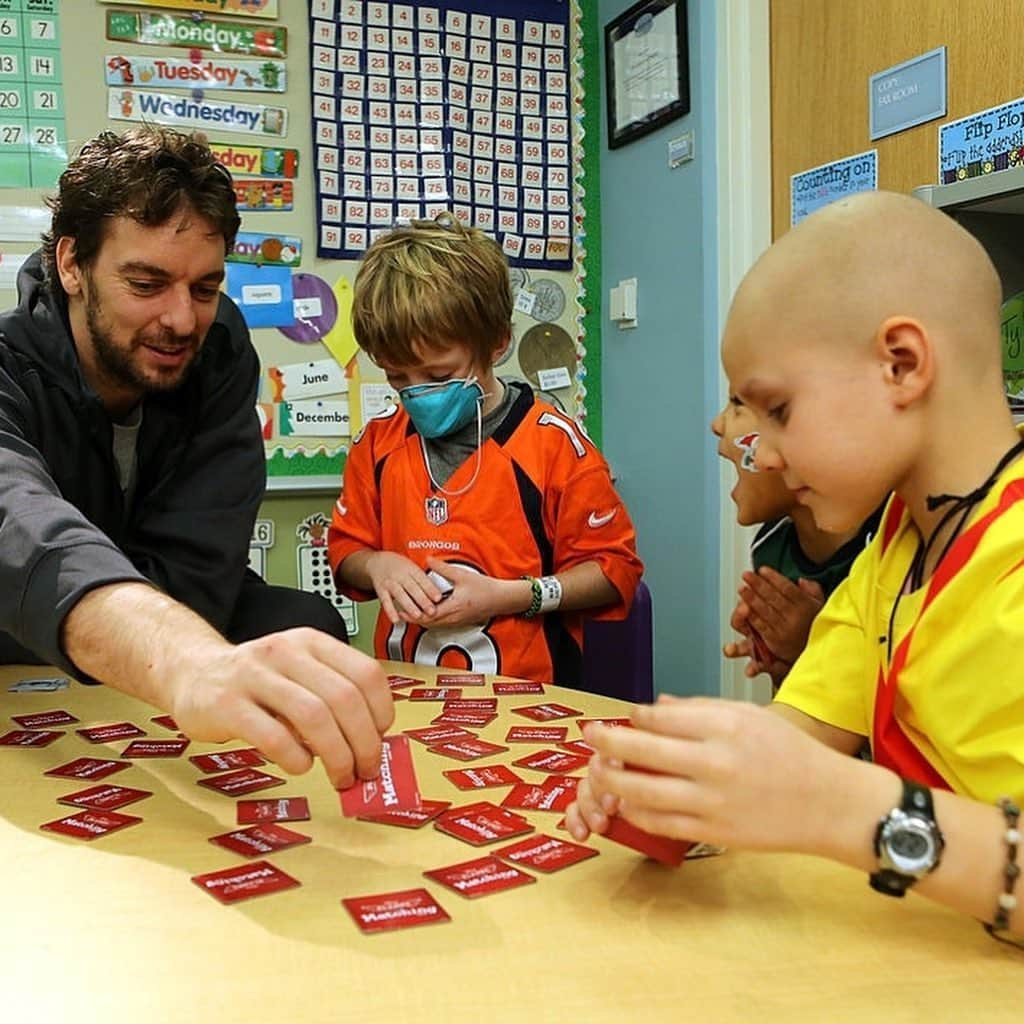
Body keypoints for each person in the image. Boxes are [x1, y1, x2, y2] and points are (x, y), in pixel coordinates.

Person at [567, 191, 1024, 942]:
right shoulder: (898, 550)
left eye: (777, 410)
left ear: (901, 364)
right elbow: (805, 725)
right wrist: (693, 782)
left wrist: (840, 807)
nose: (764, 453)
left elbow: (827, 790)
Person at [0, 127, 391, 788]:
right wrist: (183, 664)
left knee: (308, 626)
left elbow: (200, 565)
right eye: (146, 283)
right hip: (26, 629)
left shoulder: (220, 351)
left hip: (174, 612)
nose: (182, 321)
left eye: (205, 289)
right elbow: (19, 529)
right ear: (71, 266)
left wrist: (183, 655)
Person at [328, 213, 643, 686]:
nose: (416, 394)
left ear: (497, 343)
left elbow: (613, 571)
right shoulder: (378, 445)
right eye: (397, 378)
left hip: (533, 709)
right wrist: (377, 564)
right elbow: (347, 550)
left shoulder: (553, 447)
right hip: (409, 702)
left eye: (438, 376)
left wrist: (515, 596)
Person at [712, 399, 880, 687]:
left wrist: (818, 645)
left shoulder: (887, 548)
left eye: (738, 404)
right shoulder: (770, 544)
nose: (716, 425)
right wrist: (785, 665)